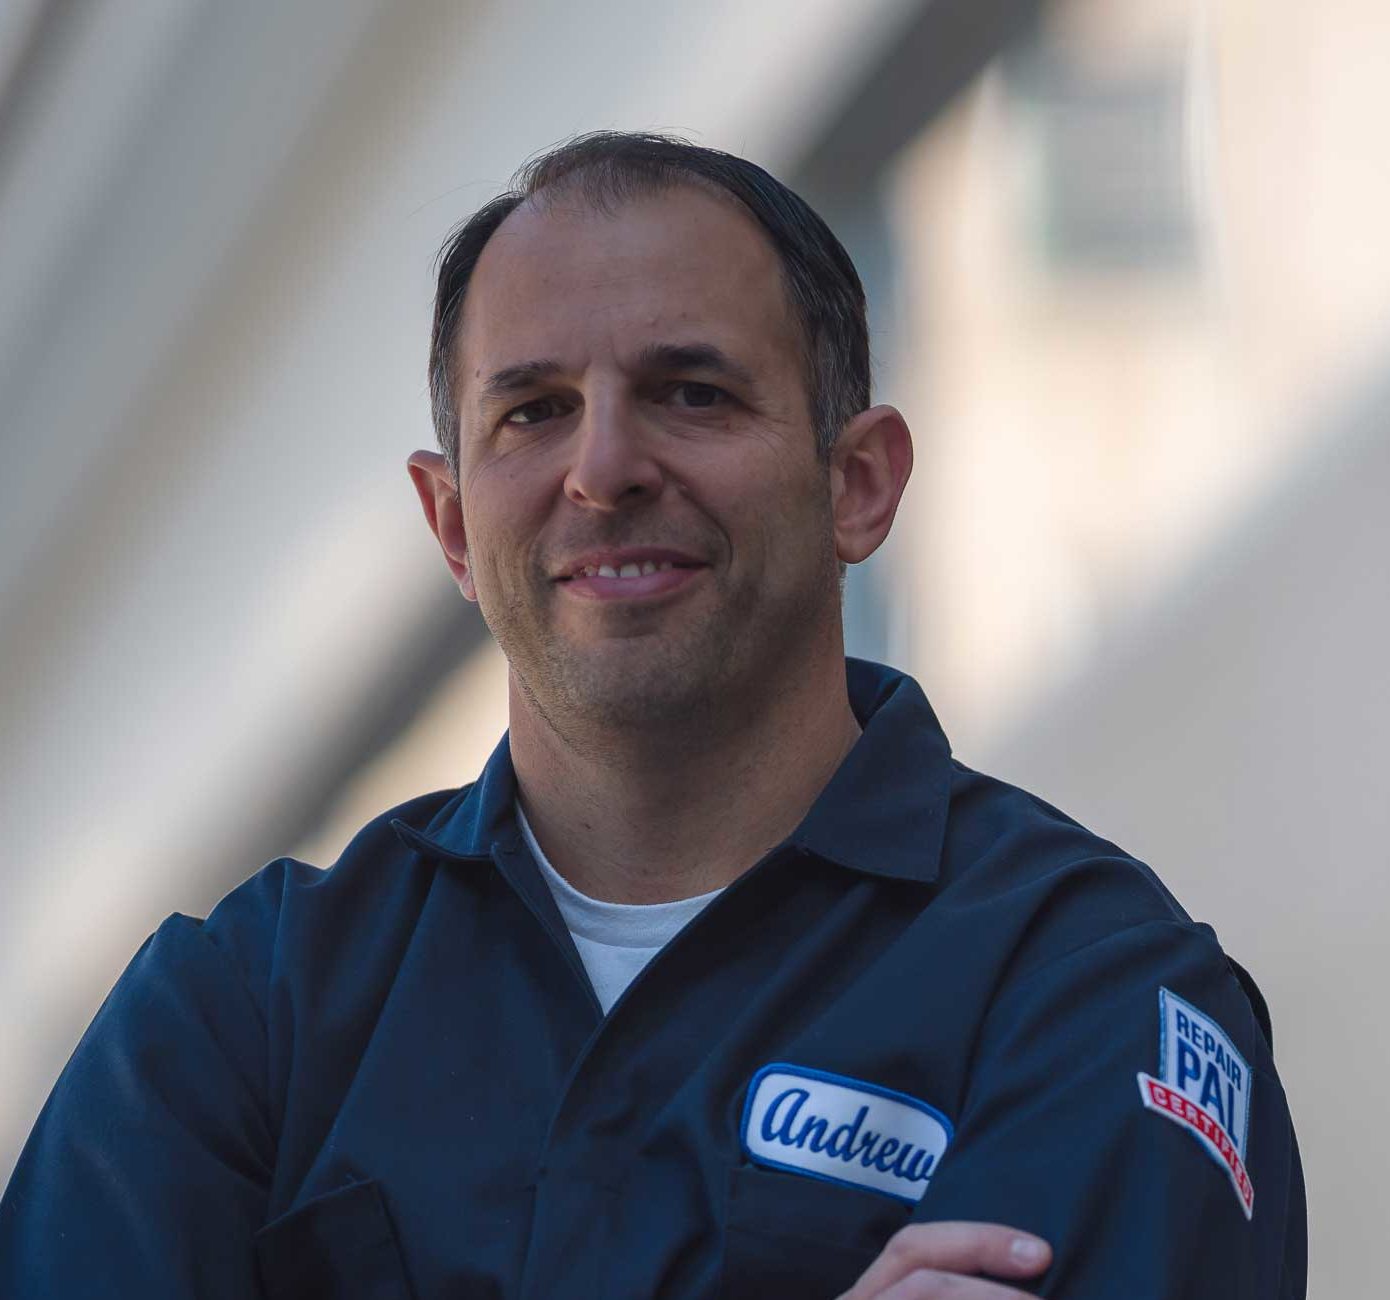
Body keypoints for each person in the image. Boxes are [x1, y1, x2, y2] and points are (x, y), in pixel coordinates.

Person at [0, 132, 1305, 1298]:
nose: (604, 468)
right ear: (452, 523)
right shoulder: (245, 1016)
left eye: (692, 393)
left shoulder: (1089, 996)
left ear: (856, 483)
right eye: (532, 411)